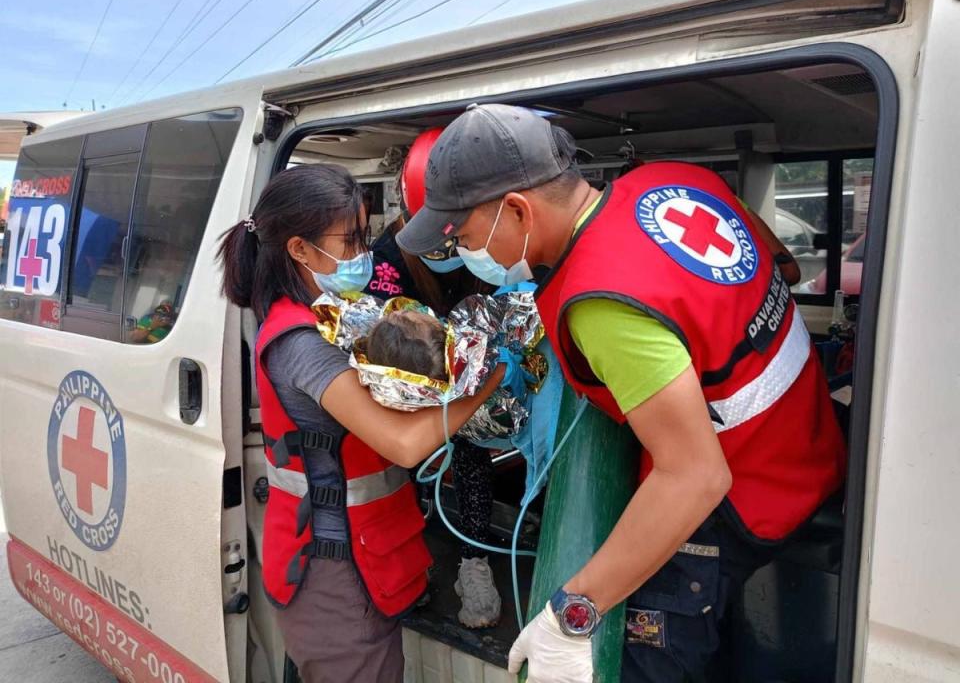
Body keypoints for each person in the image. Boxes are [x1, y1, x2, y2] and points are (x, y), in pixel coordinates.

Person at [397, 104, 846, 682]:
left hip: (745, 499)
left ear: (515, 209)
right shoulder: (674, 180)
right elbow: (781, 270)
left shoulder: (601, 300)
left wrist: (571, 614)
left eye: (462, 231)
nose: (459, 247)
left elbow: (695, 477)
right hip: (814, 446)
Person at [217, 164, 505, 683]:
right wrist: (488, 380)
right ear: (300, 250)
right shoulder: (299, 341)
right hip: (333, 571)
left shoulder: (337, 313)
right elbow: (402, 444)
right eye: (348, 241)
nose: (362, 255)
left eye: (365, 237)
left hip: (369, 556)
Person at [364, 128, 504, 629]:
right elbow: (386, 334)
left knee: (471, 459)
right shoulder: (389, 256)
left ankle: (474, 562)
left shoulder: (490, 242)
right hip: (412, 379)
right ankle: (412, 566)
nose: (454, 242)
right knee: (407, 472)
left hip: (476, 379)